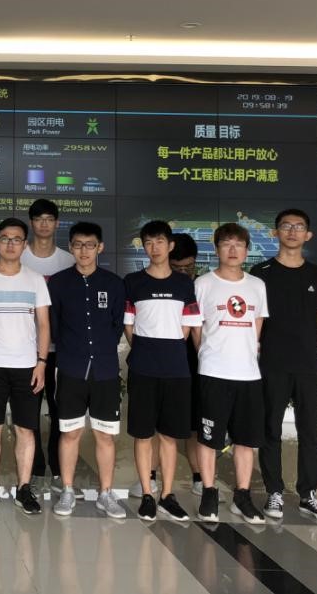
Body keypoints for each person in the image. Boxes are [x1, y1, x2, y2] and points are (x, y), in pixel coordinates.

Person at [252, 209, 317, 523]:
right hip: (272, 361)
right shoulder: (260, 272)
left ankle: (308, 494)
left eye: (298, 226)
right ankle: (274, 491)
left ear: (308, 235)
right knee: (270, 429)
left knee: (309, 431)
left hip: (306, 363)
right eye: (285, 226)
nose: (292, 231)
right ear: (275, 233)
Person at [0, 218, 51, 515]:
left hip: (26, 366)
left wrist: (41, 363)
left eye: (17, 239)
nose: (10, 244)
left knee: (26, 429)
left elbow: (44, 324)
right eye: (5, 238)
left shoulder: (35, 279)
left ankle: (24, 488)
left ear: (25, 245)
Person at [47, 222, 127, 519]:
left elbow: (117, 325)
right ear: (70, 247)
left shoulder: (114, 284)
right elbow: (54, 325)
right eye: (78, 244)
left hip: (105, 370)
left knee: (105, 435)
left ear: (100, 247)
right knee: (70, 433)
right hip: (71, 368)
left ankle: (106, 493)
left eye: (90, 244)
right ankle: (67, 490)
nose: (84, 250)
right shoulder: (58, 283)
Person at [123, 220, 201, 522]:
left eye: (159, 242)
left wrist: (169, 347)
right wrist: (145, 348)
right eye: (148, 242)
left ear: (170, 246)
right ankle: (147, 493)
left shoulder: (184, 284)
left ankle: (168, 495)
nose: (154, 248)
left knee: (170, 435)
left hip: (176, 369)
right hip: (143, 367)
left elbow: (188, 326)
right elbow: (129, 324)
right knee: (143, 434)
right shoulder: (133, 281)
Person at [193, 223, 268, 525]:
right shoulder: (203, 284)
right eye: (226, 244)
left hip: (248, 374)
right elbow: (196, 329)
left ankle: (242, 495)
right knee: (209, 437)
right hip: (213, 371)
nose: (233, 249)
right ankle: (209, 492)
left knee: (246, 440)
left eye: (239, 244)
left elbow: (257, 324)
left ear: (247, 250)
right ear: (216, 249)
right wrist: (207, 353)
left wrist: (246, 351)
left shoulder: (257, 286)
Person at [20, 198, 76, 489]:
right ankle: (35, 466)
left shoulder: (68, 260)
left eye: (49, 219)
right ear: (31, 223)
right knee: (28, 412)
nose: (43, 224)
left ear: (56, 223)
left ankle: (56, 468)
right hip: (25, 350)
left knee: (59, 410)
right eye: (38, 219)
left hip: (59, 350)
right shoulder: (19, 257)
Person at [169, 232, 203, 496]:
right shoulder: (159, 285)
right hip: (166, 363)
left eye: (188, 267)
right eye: (177, 267)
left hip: (197, 365)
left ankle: (199, 477)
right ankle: (151, 476)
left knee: (194, 427)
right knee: (161, 426)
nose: (183, 273)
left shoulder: (203, 287)